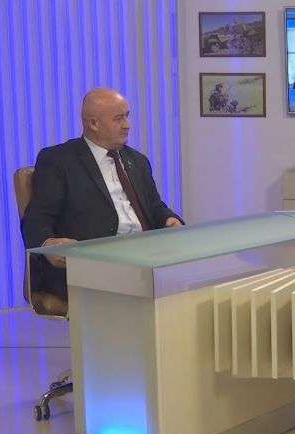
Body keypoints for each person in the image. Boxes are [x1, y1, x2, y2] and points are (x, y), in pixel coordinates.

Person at [21, 88, 183, 301]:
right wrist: (47, 244)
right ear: (93, 124)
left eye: (127, 116)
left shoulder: (137, 161)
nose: (127, 125)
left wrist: (169, 219)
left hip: (143, 261)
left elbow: (154, 206)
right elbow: (36, 218)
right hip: (91, 266)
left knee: (191, 285)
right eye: (118, 119)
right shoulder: (59, 160)